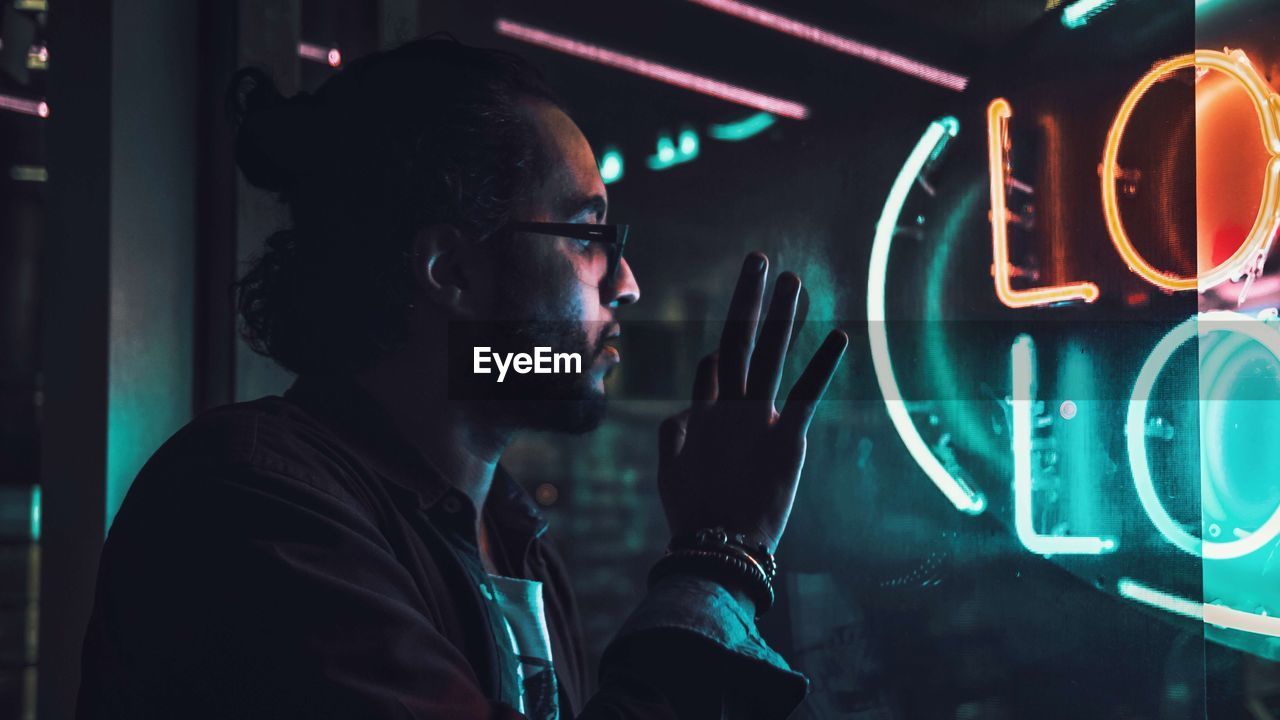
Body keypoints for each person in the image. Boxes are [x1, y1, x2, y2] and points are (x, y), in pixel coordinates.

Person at [76, 35, 847, 719]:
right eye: (587, 236)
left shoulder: (515, 544)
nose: (627, 285)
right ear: (449, 269)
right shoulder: (249, 500)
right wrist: (719, 560)